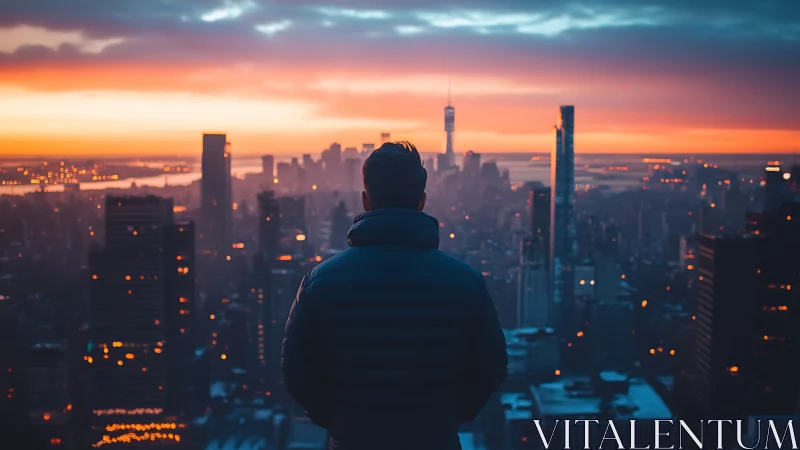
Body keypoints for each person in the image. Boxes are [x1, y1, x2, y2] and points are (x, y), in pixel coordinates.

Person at [282, 141, 507, 450]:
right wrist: (449, 418)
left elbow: (296, 371)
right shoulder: (465, 282)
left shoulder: (320, 282)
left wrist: (339, 421)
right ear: (421, 201)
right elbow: (491, 366)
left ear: (365, 201)